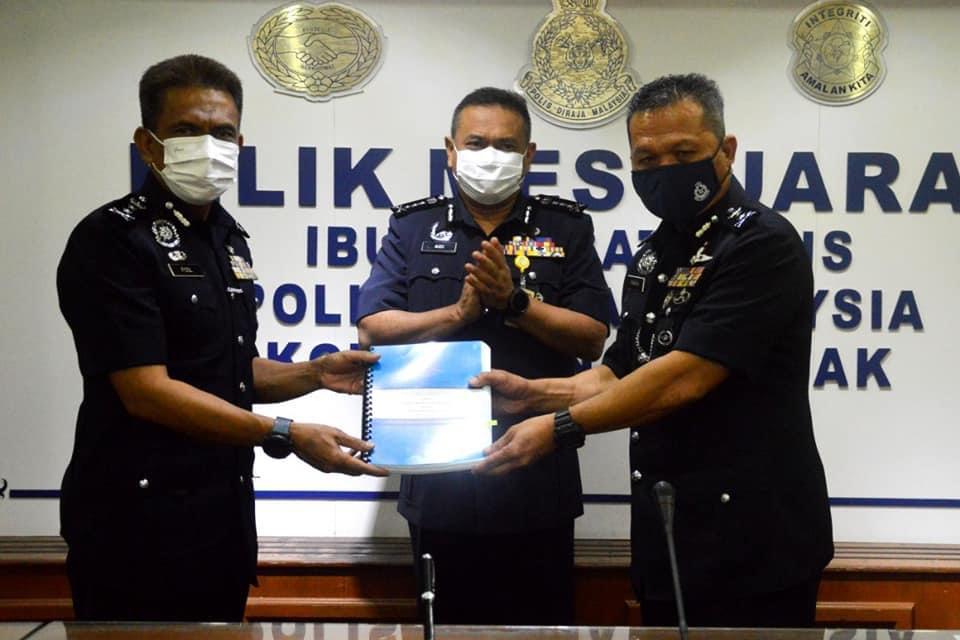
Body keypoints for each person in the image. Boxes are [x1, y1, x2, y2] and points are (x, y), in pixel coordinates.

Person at [473, 74, 834, 628]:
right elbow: (623, 368)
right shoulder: (655, 252)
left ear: (726, 150)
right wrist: (531, 395)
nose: (665, 169)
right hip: (670, 535)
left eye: (683, 153)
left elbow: (681, 378)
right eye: (647, 158)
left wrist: (559, 429)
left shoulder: (761, 243)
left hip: (755, 543)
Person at [56, 54, 386, 623]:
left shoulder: (229, 240)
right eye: (186, 130)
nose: (207, 145)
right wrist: (283, 433)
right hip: (133, 527)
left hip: (219, 523)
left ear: (240, 141)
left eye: (222, 132)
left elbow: (226, 371)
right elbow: (146, 390)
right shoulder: (110, 239)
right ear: (147, 143)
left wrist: (314, 374)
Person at [356, 87, 610, 625]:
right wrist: (454, 315)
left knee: (541, 631)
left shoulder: (566, 227)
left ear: (529, 155)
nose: (489, 155)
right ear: (450, 150)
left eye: (505, 144)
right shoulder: (411, 226)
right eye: (476, 142)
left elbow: (593, 337)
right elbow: (373, 330)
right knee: (443, 626)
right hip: (438, 473)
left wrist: (516, 303)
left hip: (538, 473)